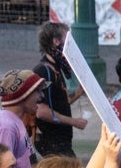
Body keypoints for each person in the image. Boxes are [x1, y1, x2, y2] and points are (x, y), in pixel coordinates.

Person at [33, 23, 87, 158]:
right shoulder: (44, 70)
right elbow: (41, 111)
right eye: (67, 39)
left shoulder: (55, 68)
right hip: (51, 140)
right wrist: (73, 121)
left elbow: (61, 101)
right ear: (56, 41)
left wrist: (79, 92)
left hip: (61, 140)